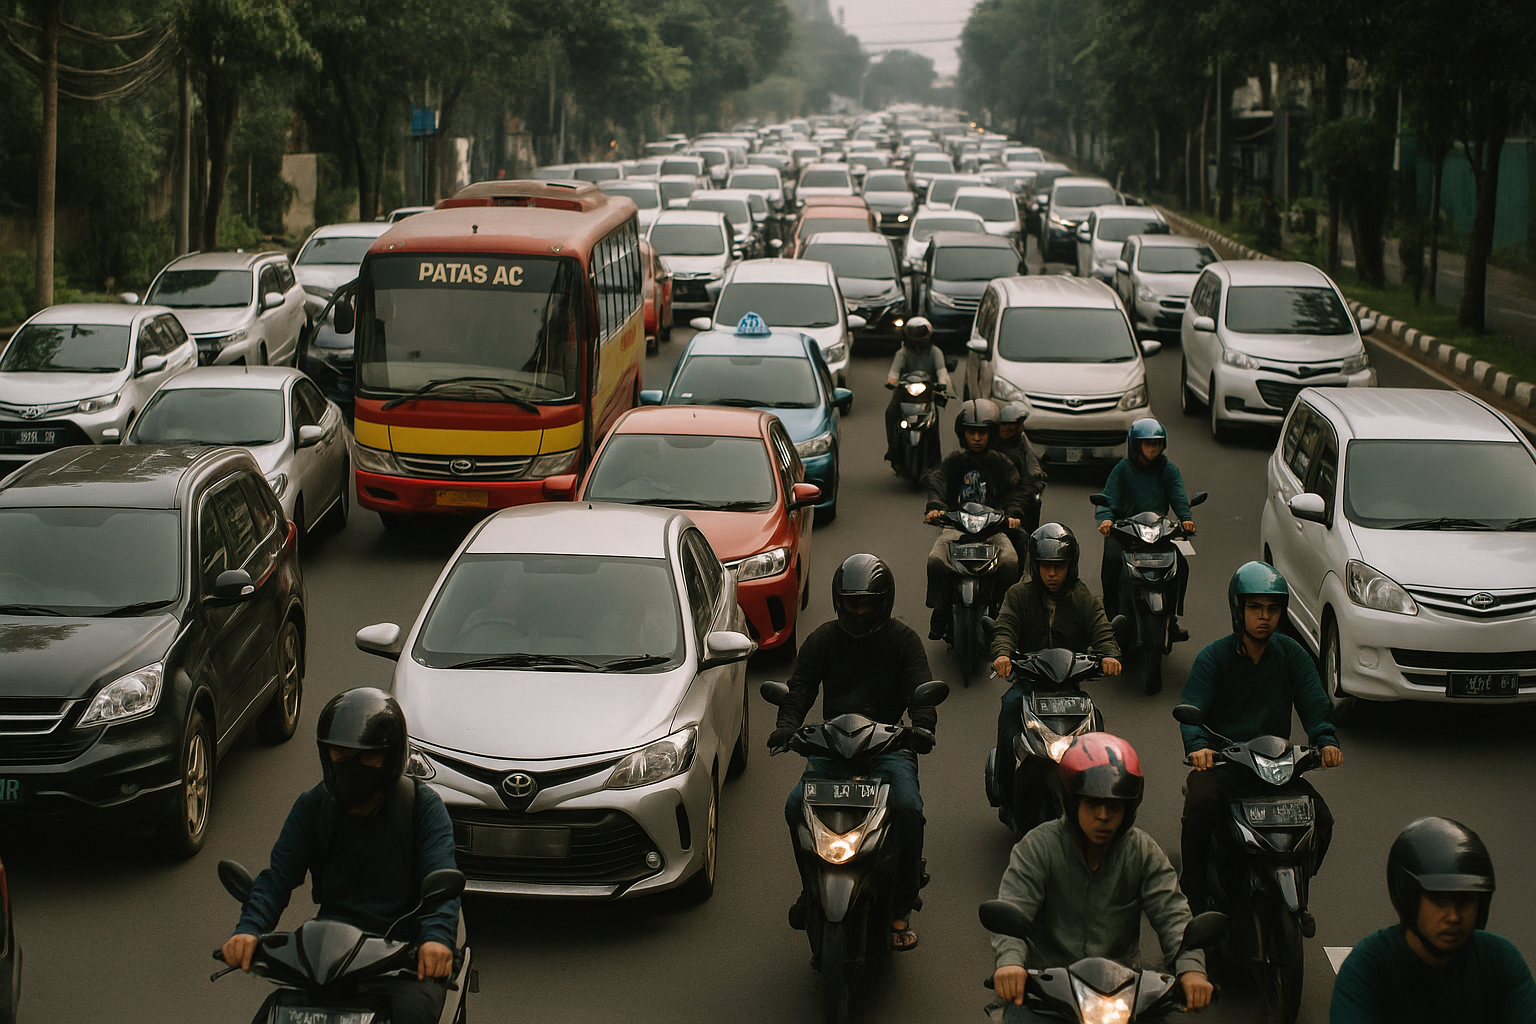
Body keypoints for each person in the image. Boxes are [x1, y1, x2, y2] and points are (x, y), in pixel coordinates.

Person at [221, 688, 460, 1024]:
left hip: (401, 959)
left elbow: (442, 880)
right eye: (340, 754)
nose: (351, 766)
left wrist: (435, 940)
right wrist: (249, 929)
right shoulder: (313, 807)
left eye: (366, 756)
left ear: (390, 757)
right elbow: (277, 878)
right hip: (328, 958)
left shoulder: (423, 809)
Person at [770, 554, 937, 952]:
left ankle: (902, 899)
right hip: (831, 748)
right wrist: (786, 727)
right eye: (851, 602)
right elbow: (800, 689)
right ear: (839, 601)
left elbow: (921, 691)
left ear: (883, 601)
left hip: (888, 748)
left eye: (866, 602)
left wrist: (924, 727)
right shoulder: (824, 639)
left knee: (909, 808)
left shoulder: (903, 641)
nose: (858, 610)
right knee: (795, 806)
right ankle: (810, 887)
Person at [989, 733, 1214, 1021]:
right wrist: (1010, 965)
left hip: (1124, 991)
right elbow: (1014, 908)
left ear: (1128, 809)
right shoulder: (1037, 848)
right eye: (1093, 804)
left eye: (1114, 806)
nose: (1104, 816)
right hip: (1047, 991)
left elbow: (1173, 914)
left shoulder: (1143, 851)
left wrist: (1191, 968)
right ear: (1073, 803)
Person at [1177, 562, 1342, 933]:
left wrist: (1325, 741)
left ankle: (1294, 886)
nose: (1265, 618)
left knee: (1322, 819)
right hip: (1226, 768)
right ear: (1239, 609)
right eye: (1256, 608)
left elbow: (1315, 705)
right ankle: (1196, 894)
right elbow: (1193, 710)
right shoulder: (1213, 657)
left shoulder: (1292, 655)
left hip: (1278, 770)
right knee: (1200, 804)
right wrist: (1199, 747)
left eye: (1272, 610)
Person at [1330, 817, 1536, 1023]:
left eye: (1466, 901)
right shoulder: (1368, 968)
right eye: (1439, 900)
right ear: (1409, 897)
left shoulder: (1500, 961)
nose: (1454, 916)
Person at [988, 523, 1122, 824]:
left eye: (1058, 567)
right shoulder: (1018, 595)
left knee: (1096, 720)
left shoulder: (1082, 596)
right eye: (1046, 566)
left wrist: (1110, 655)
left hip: (1070, 689)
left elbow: (1101, 628)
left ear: (1069, 567)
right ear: (1035, 566)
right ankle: (1006, 787)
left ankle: (1098, 788)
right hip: (1030, 686)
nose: (1052, 574)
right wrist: (1003, 655)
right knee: (1010, 708)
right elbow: (1005, 627)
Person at [923, 398, 1027, 640]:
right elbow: (937, 481)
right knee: (936, 560)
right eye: (972, 432)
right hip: (955, 527)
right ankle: (941, 608)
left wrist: (1012, 515)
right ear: (963, 433)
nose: (977, 438)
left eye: (982, 432)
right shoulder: (953, 461)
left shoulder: (1002, 463)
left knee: (1010, 562)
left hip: (993, 530)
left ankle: (1002, 608)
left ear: (991, 434)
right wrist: (936, 507)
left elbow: (1016, 491)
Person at [1096, 418, 1194, 640]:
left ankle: (1171, 618)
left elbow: (1178, 496)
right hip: (1125, 531)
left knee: (1182, 564)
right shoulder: (1122, 470)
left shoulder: (1169, 470)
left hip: (1158, 530)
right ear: (1135, 445)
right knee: (1112, 559)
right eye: (1148, 443)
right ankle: (1110, 614)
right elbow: (1108, 498)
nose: (1153, 448)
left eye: (1157, 443)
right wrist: (1106, 520)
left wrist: (1186, 518)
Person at [885, 316, 951, 466]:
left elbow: (942, 371)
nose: (917, 337)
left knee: (933, 425)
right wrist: (892, 381)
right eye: (914, 333)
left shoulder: (935, 352)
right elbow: (894, 371)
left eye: (920, 332)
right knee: (890, 413)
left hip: (927, 395)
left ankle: (935, 458)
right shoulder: (902, 353)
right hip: (904, 394)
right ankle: (893, 448)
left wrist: (942, 383)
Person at [994, 400, 1046, 538]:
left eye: (1010, 427)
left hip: (1015, 496)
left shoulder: (1023, 444)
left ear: (1019, 428)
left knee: (1022, 537)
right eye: (1003, 425)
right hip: (990, 495)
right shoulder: (989, 444)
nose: (1005, 429)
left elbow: (1034, 472)